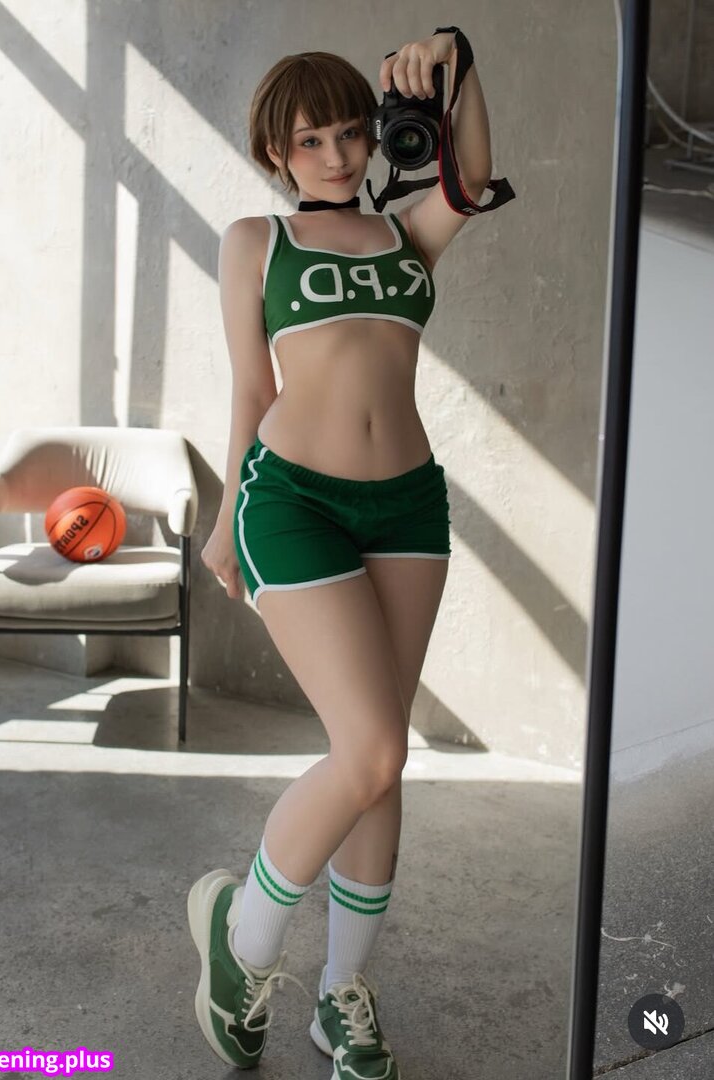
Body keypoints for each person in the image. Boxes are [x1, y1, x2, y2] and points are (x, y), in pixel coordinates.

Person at [189, 30, 495, 1078]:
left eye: (348, 133)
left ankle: (341, 998)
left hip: (406, 506)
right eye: (308, 139)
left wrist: (459, 62)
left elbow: (473, 175)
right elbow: (250, 387)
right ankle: (243, 941)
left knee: (382, 758)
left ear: (374, 136)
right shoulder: (255, 241)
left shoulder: (409, 234)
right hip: (293, 502)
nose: (333, 154)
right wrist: (225, 513)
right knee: (367, 750)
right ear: (276, 152)